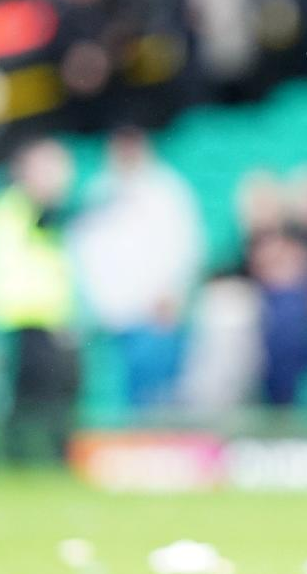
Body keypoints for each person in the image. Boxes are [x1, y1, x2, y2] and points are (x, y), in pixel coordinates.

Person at [68, 126, 205, 413]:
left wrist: (173, 292)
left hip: (155, 311)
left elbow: (186, 246)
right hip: (111, 314)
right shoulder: (99, 191)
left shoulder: (166, 191)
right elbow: (83, 252)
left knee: (154, 394)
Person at [0, 139, 81, 463]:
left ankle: (37, 461)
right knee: (31, 403)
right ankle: (25, 461)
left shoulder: (17, 210)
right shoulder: (17, 209)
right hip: (26, 321)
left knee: (46, 401)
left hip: (40, 320)